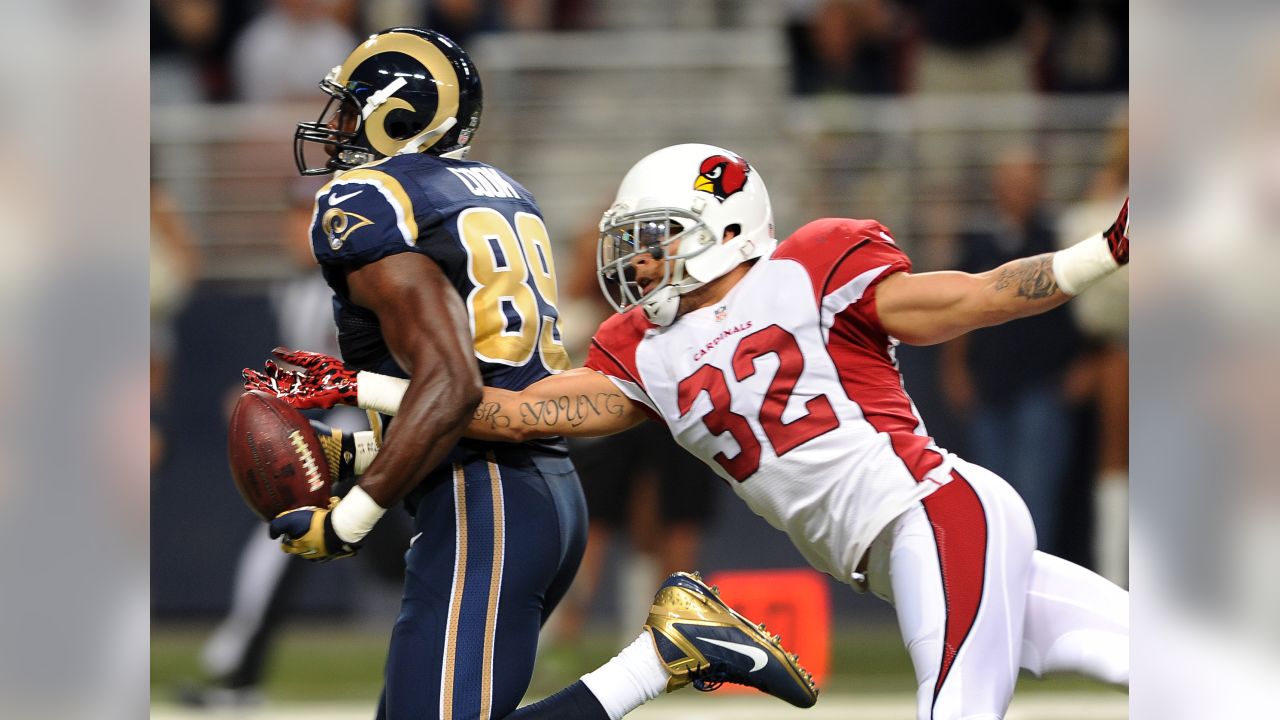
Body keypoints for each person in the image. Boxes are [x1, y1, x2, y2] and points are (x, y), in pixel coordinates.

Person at [252, 142, 1132, 719]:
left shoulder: (808, 268)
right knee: (1137, 651)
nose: (636, 261)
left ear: (723, 227)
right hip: (892, 554)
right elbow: (518, 413)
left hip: (932, 513)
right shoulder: (645, 349)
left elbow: (976, 296)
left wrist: (1106, 252)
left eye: (656, 239)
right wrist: (369, 383)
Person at [255, 30, 817, 720]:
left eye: (350, 108)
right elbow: (490, 380)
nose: (335, 127)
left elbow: (454, 386)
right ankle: (663, 655)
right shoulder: (499, 190)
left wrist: (350, 518)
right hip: (536, 491)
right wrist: (362, 448)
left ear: (396, 114)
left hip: (484, 498)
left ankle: (666, 654)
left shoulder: (373, 201)